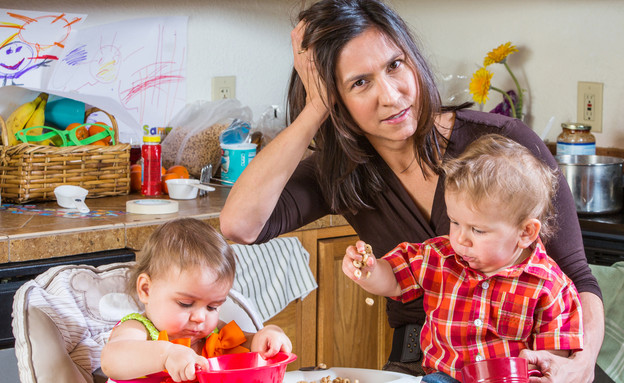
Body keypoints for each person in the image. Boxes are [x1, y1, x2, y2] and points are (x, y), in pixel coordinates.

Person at [219, 0, 604, 381]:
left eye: (394, 65)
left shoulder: (505, 146)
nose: (390, 95)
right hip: (426, 366)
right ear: (336, 99)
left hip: (537, 365)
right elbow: (239, 225)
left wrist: (581, 364)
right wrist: (315, 107)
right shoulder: (339, 172)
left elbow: (576, 276)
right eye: (359, 83)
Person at [342, 134, 584, 382]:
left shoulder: (551, 287)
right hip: (443, 377)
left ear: (525, 232)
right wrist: (369, 270)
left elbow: (551, 361)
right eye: (455, 222)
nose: (461, 239)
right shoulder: (439, 256)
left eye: (478, 230)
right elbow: (393, 279)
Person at [101, 218, 292, 383]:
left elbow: (250, 342)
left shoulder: (211, 333)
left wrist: (268, 335)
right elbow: (111, 360)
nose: (201, 317)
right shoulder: (138, 329)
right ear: (146, 289)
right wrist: (166, 355)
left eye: (212, 307)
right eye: (185, 303)